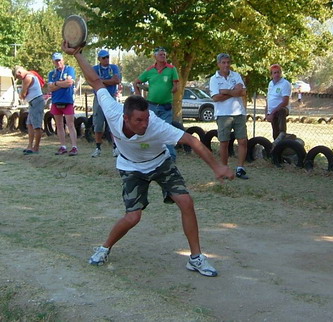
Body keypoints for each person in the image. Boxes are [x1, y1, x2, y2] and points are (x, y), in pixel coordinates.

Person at [62, 41, 235, 277]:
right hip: (131, 168)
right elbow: (95, 81)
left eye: (146, 119)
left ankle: (195, 258)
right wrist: (78, 54)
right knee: (133, 217)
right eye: (138, 121)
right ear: (125, 117)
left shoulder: (156, 125)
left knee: (186, 202)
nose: (144, 125)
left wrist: (217, 167)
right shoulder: (113, 112)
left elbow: (192, 141)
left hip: (160, 163)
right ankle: (104, 248)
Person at [133, 47, 179, 161]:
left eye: (164, 54)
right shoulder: (149, 70)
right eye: (161, 55)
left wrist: (173, 88)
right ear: (155, 56)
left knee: (166, 131)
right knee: (148, 130)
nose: (163, 56)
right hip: (151, 105)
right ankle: (148, 155)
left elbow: (176, 85)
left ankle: (171, 157)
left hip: (166, 106)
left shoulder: (172, 69)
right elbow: (136, 82)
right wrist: (139, 96)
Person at [209, 53, 249, 180]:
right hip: (223, 114)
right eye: (223, 62)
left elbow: (242, 92)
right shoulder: (214, 79)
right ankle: (224, 168)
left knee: (242, 141)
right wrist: (233, 92)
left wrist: (225, 91)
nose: (226, 65)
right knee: (224, 142)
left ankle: (240, 168)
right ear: (218, 64)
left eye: (228, 62)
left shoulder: (236, 75)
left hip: (239, 113)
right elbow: (216, 98)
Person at [91, 49, 121, 158]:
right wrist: (108, 81)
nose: (106, 59)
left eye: (107, 57)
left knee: (113, 123)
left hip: (111, 97)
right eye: (103, 57)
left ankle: (115, 148)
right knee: (98, 124)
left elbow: (116, 80)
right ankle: (98, 148)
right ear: (99, 59)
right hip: (98, 98)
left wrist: (101, 81)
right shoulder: (94, 69)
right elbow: (93, 81)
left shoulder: (113, 68)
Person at [48, 52, 78, 156]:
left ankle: (74, 146)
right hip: (56, 101)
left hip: (67, 100)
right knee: (59, 125)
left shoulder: (69, 69)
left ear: (63, 60)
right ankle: (63, 146)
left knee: (70, 124)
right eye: (56, 61)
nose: (58, 62)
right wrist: (61, 83)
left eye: (59, 60)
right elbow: (50, 87)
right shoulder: (52, 73)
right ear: (53, 62)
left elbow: (69, 83)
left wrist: (56, 84)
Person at [12, 66, 44, 155]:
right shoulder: (27, 77)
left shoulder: (28, 77)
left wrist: (21, 94)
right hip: (32, 102)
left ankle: (36, 147)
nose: (19, 78)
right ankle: (30, 146)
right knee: (29, 124)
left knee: (37, 126)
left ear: (19, 72)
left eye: (18, 77)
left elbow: (23, 93)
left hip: (36, 101)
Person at [265, 64, 292, 143]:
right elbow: (268, 99)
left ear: (281, 73)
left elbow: (285, 101)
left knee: (281, 111)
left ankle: (282, 133)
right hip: (272, 111)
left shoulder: (285, 84)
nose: (276, 74)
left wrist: (272, 113)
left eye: (278, 72)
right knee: (275, 133)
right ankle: (277, 148)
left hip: (281, 109)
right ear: (271, 75)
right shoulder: (270, 84)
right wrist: (267, 113)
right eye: (274, 73)